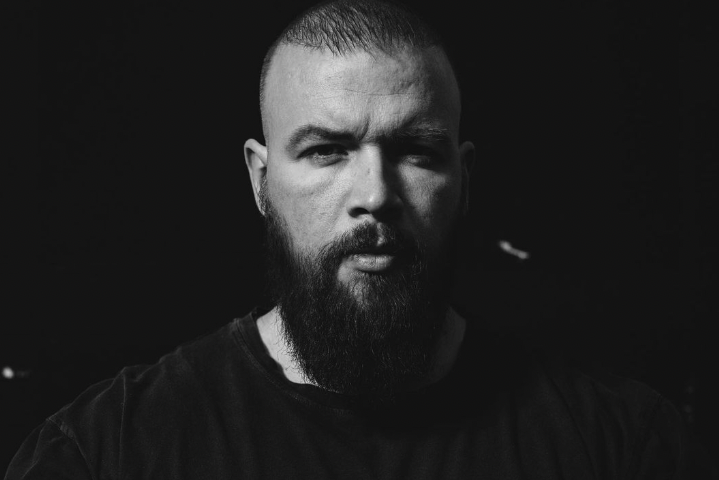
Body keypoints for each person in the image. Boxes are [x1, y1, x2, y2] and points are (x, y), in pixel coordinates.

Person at [6, 0, 688, 478]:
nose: (375, 194)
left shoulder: (623, 445)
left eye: (416, 151)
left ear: (463, 179)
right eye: (327, 151)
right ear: (261, 182)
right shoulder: (104, 452)